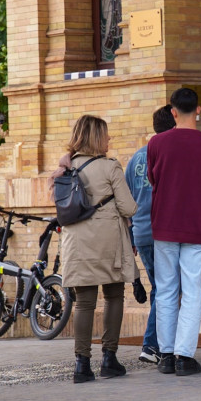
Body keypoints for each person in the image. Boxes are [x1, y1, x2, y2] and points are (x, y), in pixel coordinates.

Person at [55, 115, 139, 384]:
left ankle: (81, 364)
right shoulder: (110, 167)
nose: (109, 139)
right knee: (114, 295)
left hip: (75, 243)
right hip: (107, 242)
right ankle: (109, 359)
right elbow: (128, 208)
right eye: (106, 134)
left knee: (84, 302)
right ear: (95, 137)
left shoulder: (65, 169)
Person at [147, 87, 201, 377]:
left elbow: (154, 179)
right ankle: (184, 356)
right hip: (198, 224)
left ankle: (166, 355)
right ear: (199, 110)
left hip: (164, 223)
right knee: (192, 292)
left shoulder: (157, 144)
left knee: (166, 289)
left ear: (173, 112)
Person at [124, 104, 176, 365]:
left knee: (161, 289)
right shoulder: (170, 153)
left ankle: (158, 344)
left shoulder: (136, 158)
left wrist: (131, 236)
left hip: (142, 232)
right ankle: (153, 344)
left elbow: (126, 199)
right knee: (166, 290)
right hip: (164, 231)